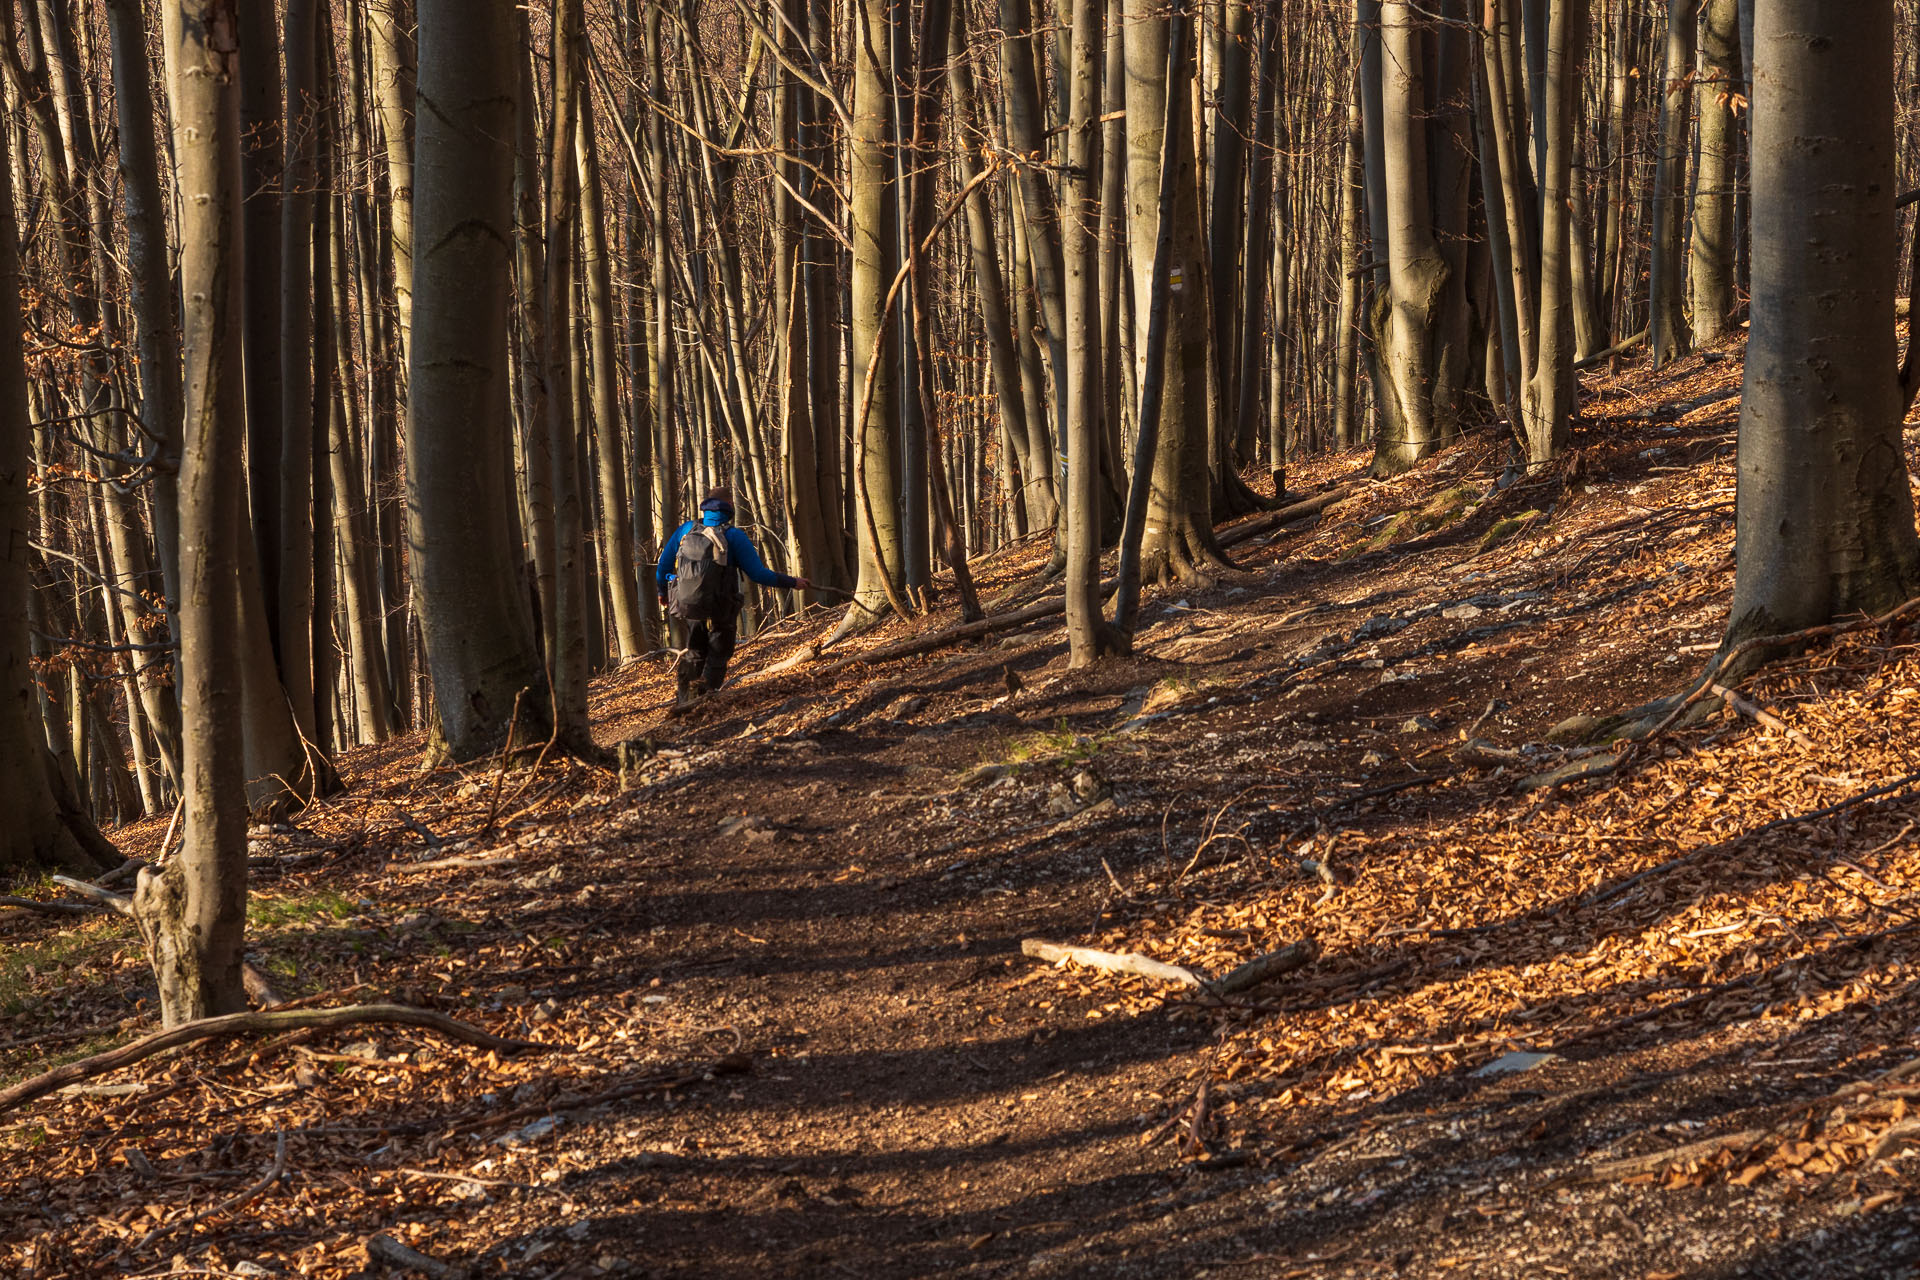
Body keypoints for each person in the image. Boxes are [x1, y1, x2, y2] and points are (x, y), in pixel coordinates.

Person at [656, 488, 809, 703]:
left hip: (688, 604)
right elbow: (757, 574)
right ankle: (707, 699)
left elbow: (662, 567)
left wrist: (663, 591)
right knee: (719, 653)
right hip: (721, 604)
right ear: (729, 506)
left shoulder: (686, 530)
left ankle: (684, 700)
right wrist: (792, 582)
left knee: (694, 651)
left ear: (706, 504)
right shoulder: (733, 535)